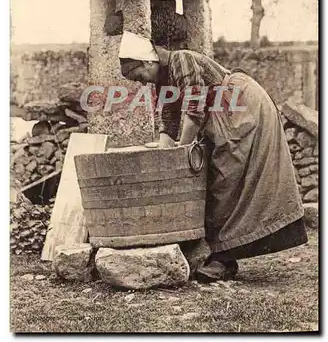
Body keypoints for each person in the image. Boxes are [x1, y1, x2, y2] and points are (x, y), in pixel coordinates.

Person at [119, 31, 308, 283]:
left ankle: (224, 260)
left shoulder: (181, 60)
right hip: (225, 113)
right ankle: (221, 256)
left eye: (138, 76)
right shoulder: (163, 78)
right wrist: (164, 150)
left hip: (240, 107)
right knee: (220, 179)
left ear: (147, 62)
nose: (141, 83)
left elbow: (194, 109)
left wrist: (180, 153)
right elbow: (169, 116)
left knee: (226, 179)